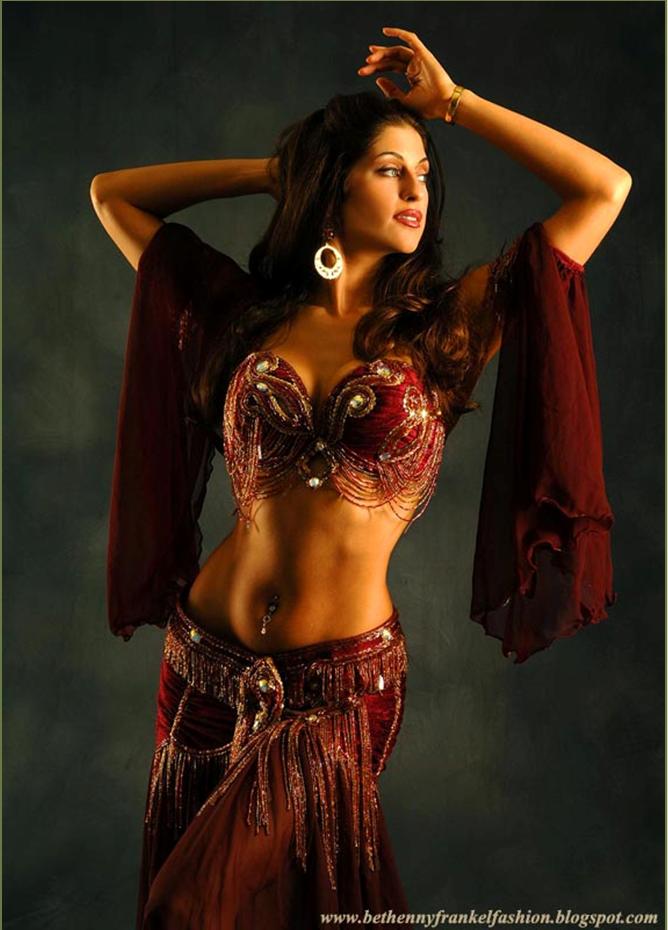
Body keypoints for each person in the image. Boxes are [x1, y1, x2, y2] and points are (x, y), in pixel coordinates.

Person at [91, 25, 628, 930]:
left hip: (336, 691)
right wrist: (276, 173)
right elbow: (114, 197)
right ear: (334, 185)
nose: (418, 189)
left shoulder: (446, 329)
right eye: (389, 169)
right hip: (201, 667)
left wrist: (453, 105)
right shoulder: (246, 316)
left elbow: (603, 189)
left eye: (423, 172)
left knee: (186, 911)